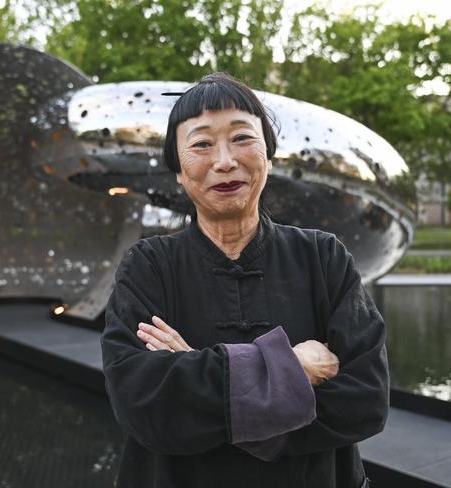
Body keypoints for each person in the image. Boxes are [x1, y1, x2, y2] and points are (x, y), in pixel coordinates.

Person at [100, 72, 388, 488]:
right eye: (201, 144)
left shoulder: (324, 257)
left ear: (268, 158)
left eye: (242, 138)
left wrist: (197, 376)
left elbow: (365, 399)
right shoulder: (148, 266)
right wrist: (292, 368)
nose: (224, 161)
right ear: (179, 172)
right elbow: (143, 405)